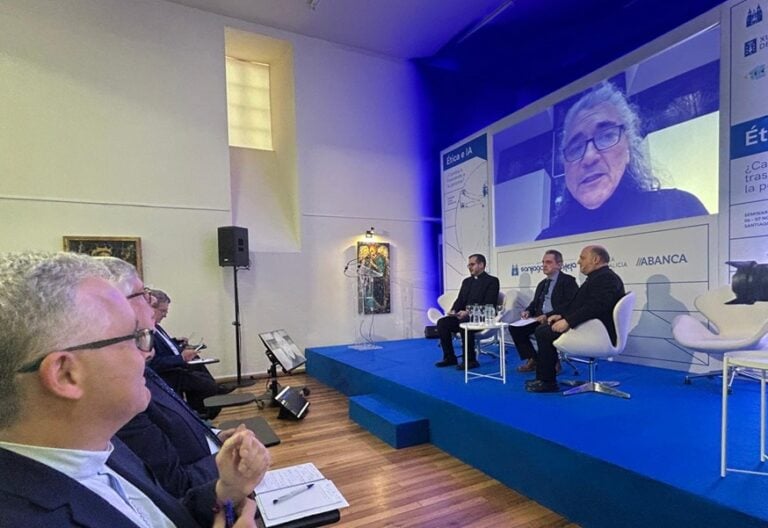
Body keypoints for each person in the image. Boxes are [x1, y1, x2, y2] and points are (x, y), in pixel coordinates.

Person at [0, 252, 268, 526]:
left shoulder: (101, 443)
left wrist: (227, 490)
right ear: (66, 374)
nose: (146, 354)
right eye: (134, 337)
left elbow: (163, 516)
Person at [99, 257, 241, 499]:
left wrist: (216, 436)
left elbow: (178, 420)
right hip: (207, 488)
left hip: (208, 468)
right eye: (145, 295)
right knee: (203, 383)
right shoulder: (122, 396)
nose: (151, 301)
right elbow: (177, 484)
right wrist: (231, 466)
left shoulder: (139, 369)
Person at [536, 81, 707, 240]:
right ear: (565, 167)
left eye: (606, 136)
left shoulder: (678, 210)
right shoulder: (547, 241)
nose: (589, 157)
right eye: (576, 147)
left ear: (629, 150)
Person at [526, 245, 626, 393]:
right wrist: (560, 315)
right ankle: (544, 378)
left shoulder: (605, 279)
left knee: (543, 332)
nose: (579, 262)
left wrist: (568, 321)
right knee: (544, 328)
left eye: (582, 258)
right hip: (591, 327)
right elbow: (578, 305)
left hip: (598, 332)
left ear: (596, 259)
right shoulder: (597, 277)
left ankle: (547, 382)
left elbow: (596, 307)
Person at [149, 289, 229, 418]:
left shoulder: (156, 326)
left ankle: (215, 389)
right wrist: (180, 358)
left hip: (175, 363)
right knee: (205, 385)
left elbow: (164, 345)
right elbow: (153, 363)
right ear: (150, 309)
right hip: (168, 373)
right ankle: (203, 414)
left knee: (197, 360)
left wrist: (177, 342)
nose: (165, 315)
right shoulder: (146, 331)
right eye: (162, 311)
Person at [510, 250, 578, 373]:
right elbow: (534, 303)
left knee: (541, 331)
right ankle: (534, 358)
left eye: (548, 262)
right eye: (543, 262)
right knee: (515, 328)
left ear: (559, 264)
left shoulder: (568, 281)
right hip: (539, 318)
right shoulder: (542, 284)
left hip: (557, 319)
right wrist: (528, 312)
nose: (544, 265)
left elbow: (570, 305)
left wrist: (547, 316)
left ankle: (553, 361)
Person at [435, 254, 500, 370]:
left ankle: (470, 360)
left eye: (472, 264)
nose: (469, 267)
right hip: (464, 316)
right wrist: (453, 310)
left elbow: (489, 304)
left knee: (464, 322)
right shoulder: (466, 282)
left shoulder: (492, 281)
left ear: (481, 265)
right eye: (469, 265)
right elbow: (460, 299)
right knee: (442, 323)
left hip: (482, 317)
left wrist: (468, 312)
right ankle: (450, 357)